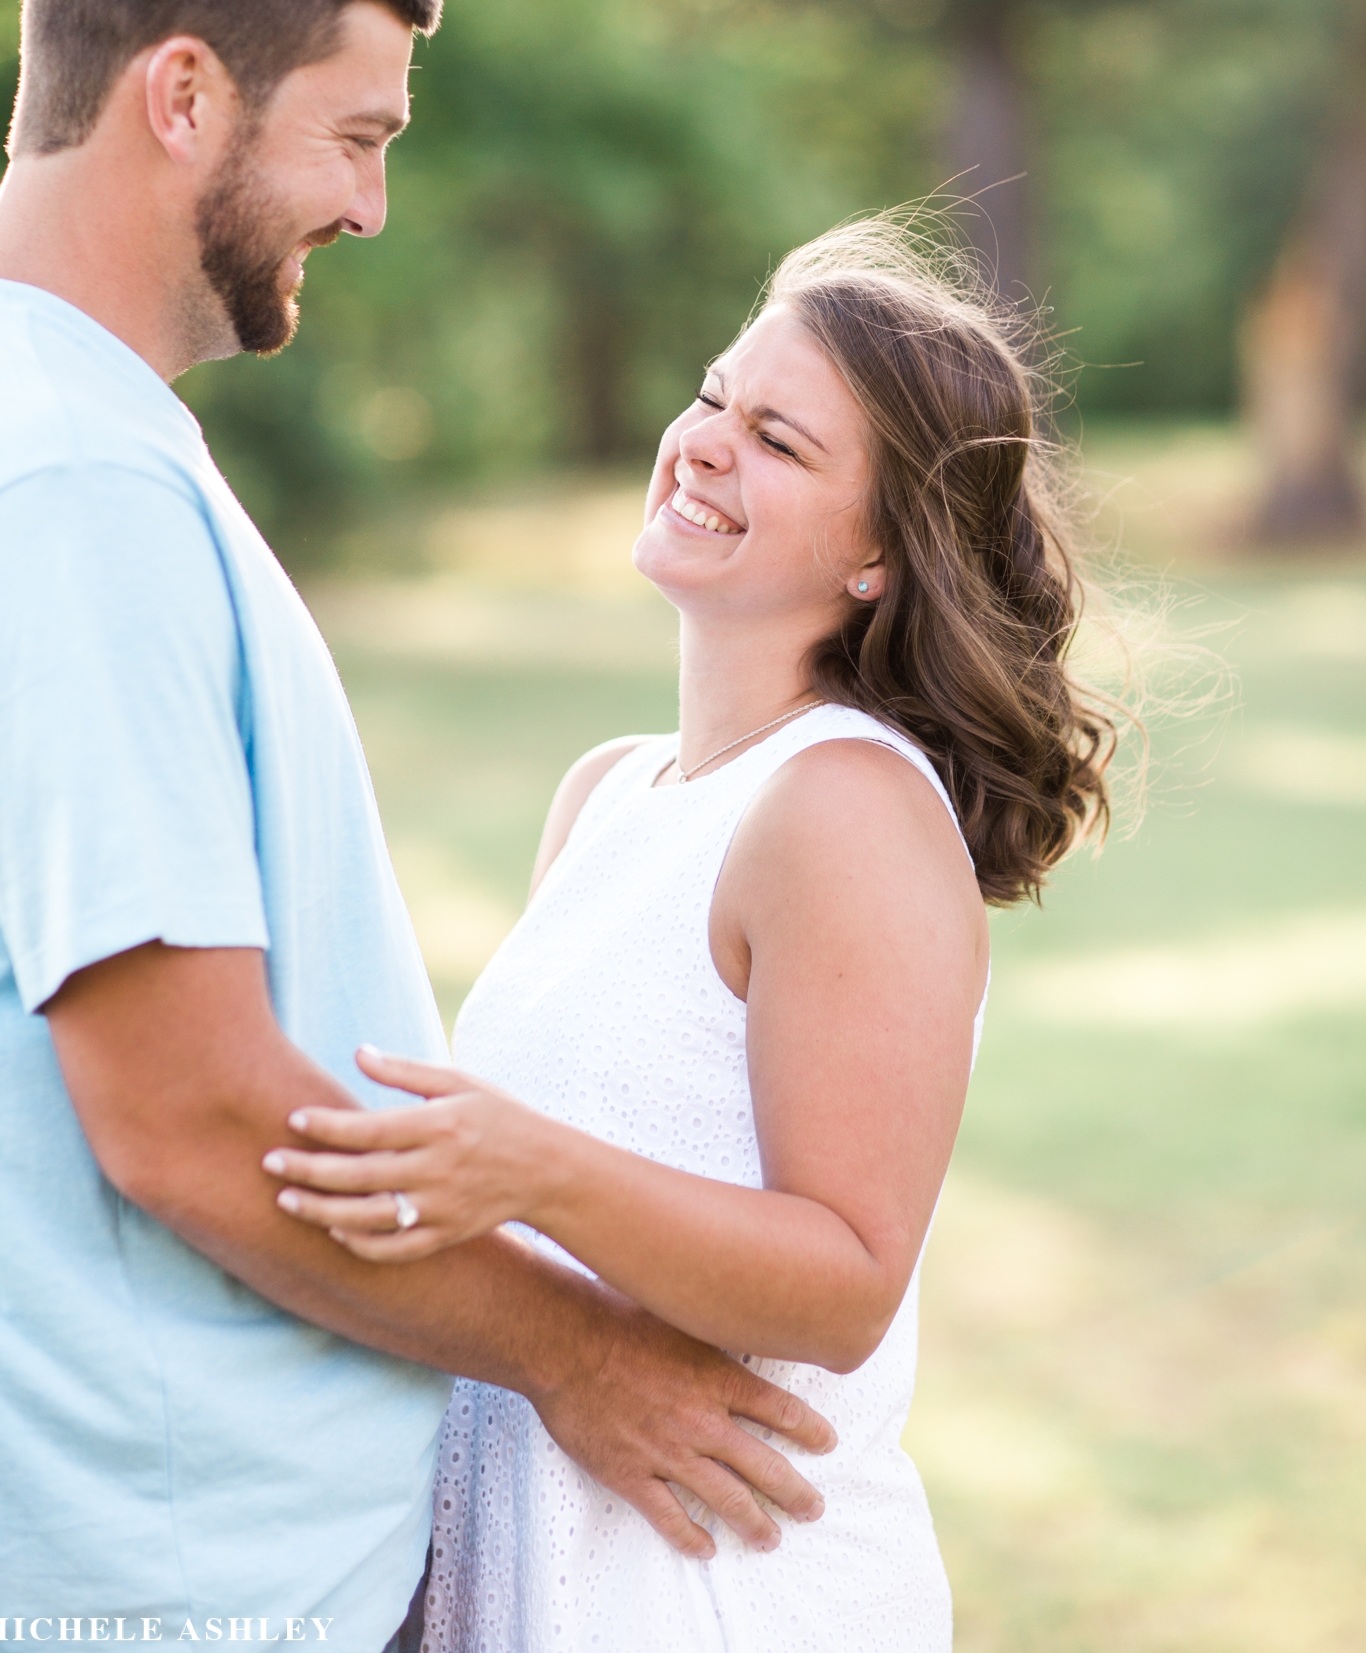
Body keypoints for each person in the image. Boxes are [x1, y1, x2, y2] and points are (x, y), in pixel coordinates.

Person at [0, 0, 833, 1653]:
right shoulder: (62, 486)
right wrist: (583, 1359)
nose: (369, 206)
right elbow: (188, 1115)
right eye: (354, 138)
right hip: (194, 1594)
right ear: (183, 94)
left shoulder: (46, 429)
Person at [262, 218, 1120, 1652]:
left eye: (781, 441)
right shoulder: (607, 790)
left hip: (720, 1588)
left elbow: (845, 1279)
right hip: (536, 1566)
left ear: (877, 560)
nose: (707, 441)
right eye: (717, 395)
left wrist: (527, 1167)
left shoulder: (845, 806)